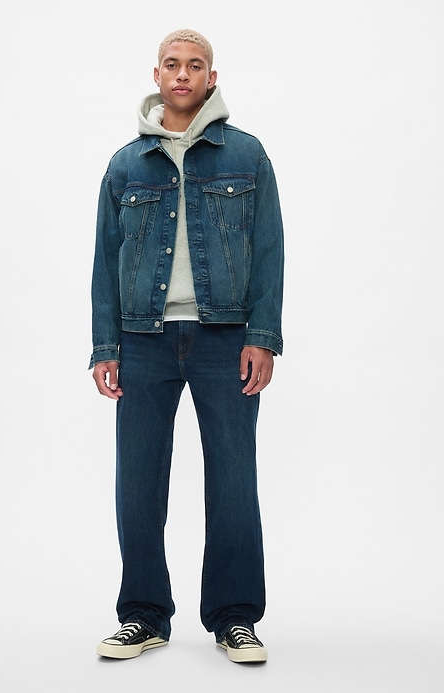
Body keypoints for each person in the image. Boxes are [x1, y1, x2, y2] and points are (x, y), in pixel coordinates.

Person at [89, 28, 284, 664]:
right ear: (157, 75)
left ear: (210, 77)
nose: (182, 74)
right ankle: (143, 615)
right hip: (142, 340)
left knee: (233, 481)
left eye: (194, 65)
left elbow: (270, 252)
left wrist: (262, 337)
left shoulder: (246, 155)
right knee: (137, 483)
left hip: (225, 341)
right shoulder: (125, 165)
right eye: (172, 64)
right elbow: (105, 260)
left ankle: (235, 618)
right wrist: (104, 345)